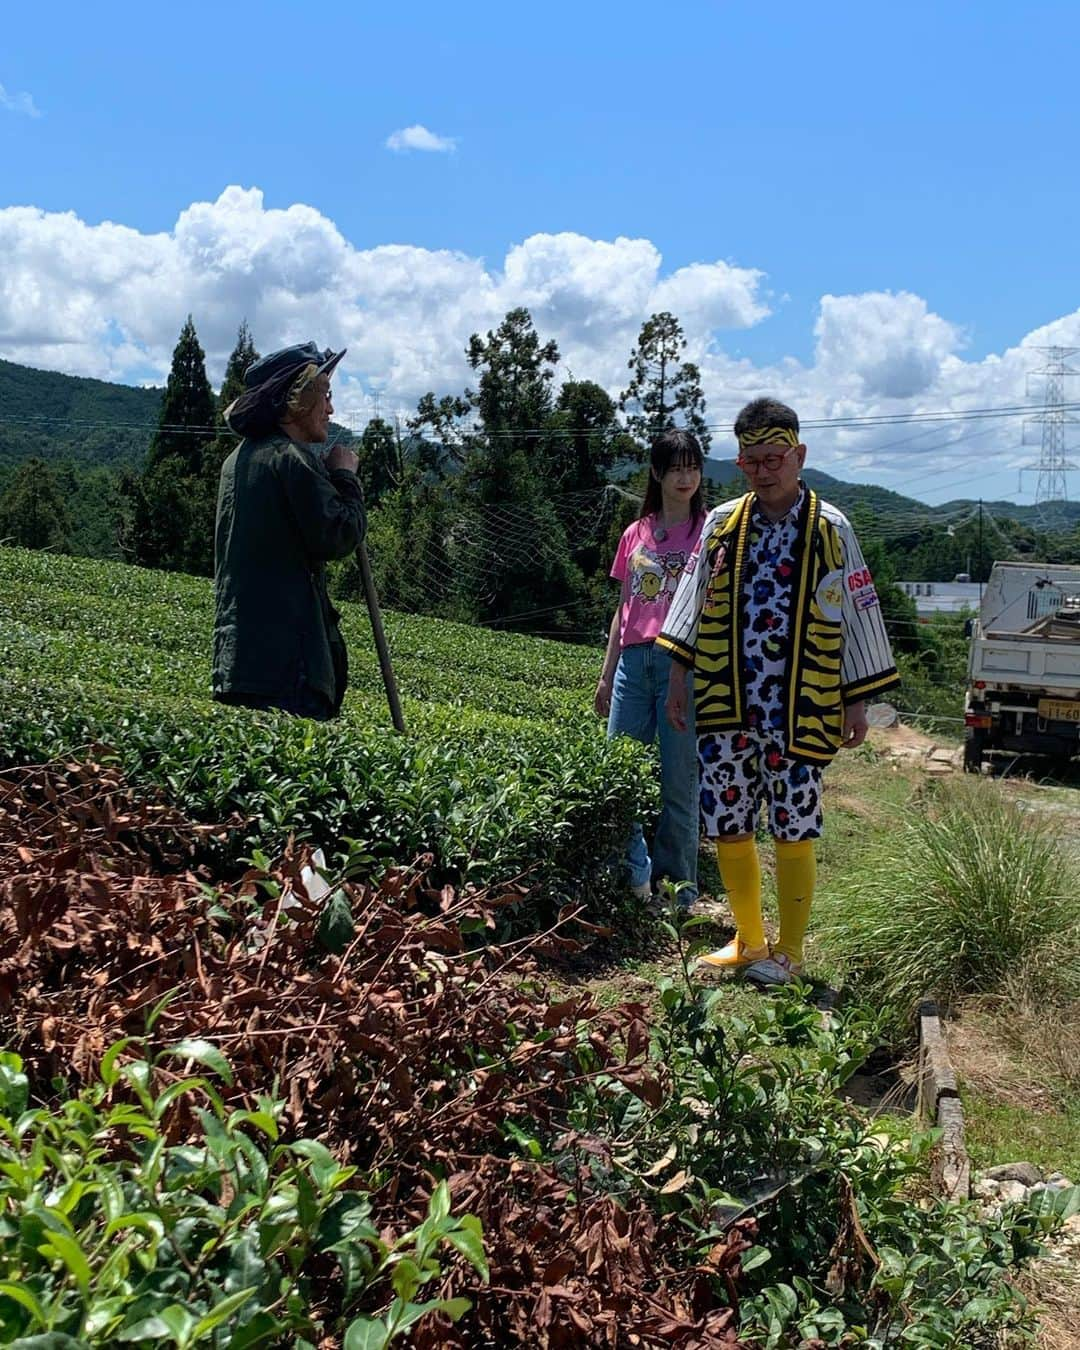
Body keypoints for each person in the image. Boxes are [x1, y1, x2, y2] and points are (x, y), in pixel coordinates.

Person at [658, 398, 899, 985]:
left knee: (795, 822)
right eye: (751, 461)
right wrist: (678, 680)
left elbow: (860, 613)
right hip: (727, 698)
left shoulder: (831, 529)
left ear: (799, 456)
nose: (764, 470)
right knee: (728, 820)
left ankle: (789, 951)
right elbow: (690, 601)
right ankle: (748, 939)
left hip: (802, 701)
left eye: (775, 458)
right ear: (740, 463)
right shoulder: (720, 525)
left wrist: (857, 699)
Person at [212, 342, 366, 720]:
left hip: (240, 662)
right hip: (287, 667)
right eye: (324, 396)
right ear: (298, 400)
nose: (330, 409)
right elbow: (339, 534)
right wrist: (346, 477)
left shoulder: (239, 459)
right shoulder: (291, 459)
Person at [596, 428, 706, 907]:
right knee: (620, 773)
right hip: (633, 664)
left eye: (693, 467)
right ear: (658, 473)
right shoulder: (635, 534)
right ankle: (635, 879)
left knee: (677, 779)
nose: (686, 477)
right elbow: (623, 610)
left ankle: (677, 891)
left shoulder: (710, 529)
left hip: (682, 663)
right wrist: (606, 674)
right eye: (676, 467)